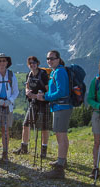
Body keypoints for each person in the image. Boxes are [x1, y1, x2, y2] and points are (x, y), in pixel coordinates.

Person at [37, 50, 72, 179]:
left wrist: (45, 96)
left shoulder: (59, 72)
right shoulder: (56, 71)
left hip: (61, 107)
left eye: (52, 58)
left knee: (61, 136)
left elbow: (61, 92)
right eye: (48, 58)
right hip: (60, 107)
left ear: (58, 59)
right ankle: (62, 161)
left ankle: (59, 170)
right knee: (61, 135)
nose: (50, 61)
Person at [14, 56, 51, 158]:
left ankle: (44, 150)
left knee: (44, 127)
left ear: (38, 63)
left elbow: (48, 90)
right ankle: (24, 148)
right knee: (26, 124)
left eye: (34, 62)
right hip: (33, 103)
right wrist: (27, 92)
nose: (32, 64)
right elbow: (27, 87)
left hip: (44, 103)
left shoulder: (43, 75)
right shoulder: (29, 75)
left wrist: (39, 96)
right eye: (30, 63)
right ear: (28, 65)